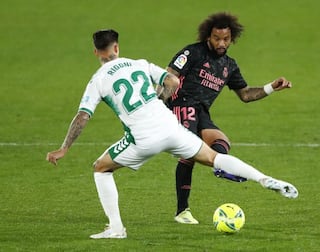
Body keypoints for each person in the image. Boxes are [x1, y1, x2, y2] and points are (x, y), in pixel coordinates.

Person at [46, 29, 298, 239]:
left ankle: (116, 228)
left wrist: (64, 148)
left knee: (101, 168)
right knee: (213, 157)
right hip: (170, 125)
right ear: (117, 48)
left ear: (96, 52)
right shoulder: (139, 64)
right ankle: (265, 179)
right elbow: (173, 82)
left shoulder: (98, 80)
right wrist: (159, 99)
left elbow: (83, 116)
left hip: (142, 138)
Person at [165, 12, 294, 224]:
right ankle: (182, 211)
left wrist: (271, 87)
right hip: (182, 104)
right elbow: (169, 74)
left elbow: (245, 95)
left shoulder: (229, 66)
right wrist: (160, 102)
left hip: (202, 111)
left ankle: (221, 167)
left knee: (221, 141)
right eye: (217, 38)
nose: (221, 43)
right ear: (208, 36)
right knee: (189, 153)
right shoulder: (193, 52)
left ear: (232, 38)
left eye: (226, 39)